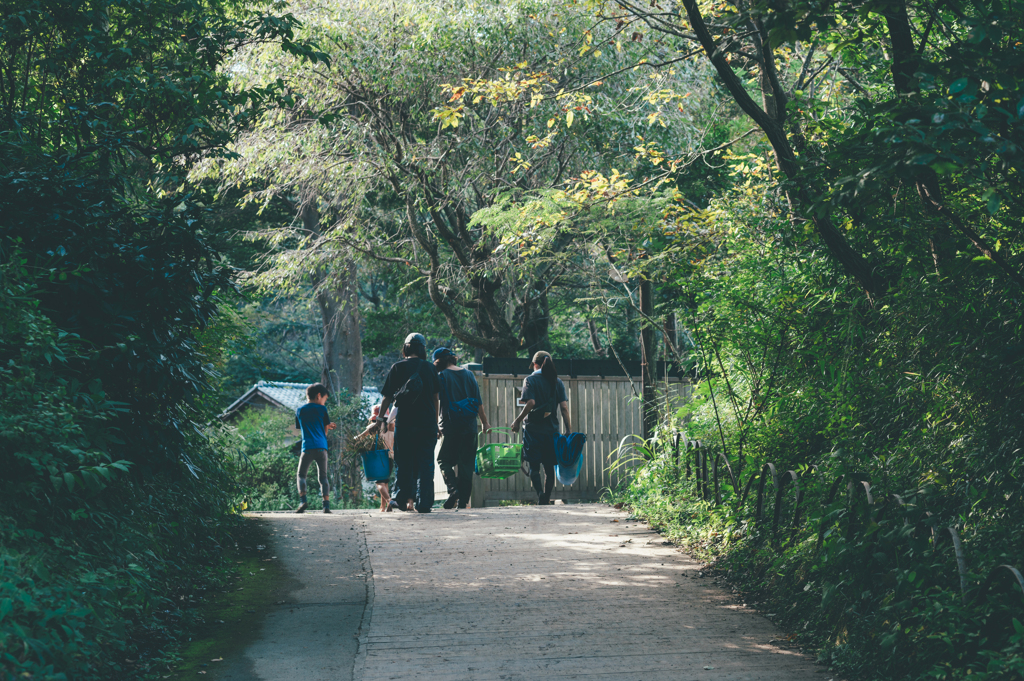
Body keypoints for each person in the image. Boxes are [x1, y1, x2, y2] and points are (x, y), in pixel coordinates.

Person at [373, 333, 441, 513]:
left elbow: (387, 397)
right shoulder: (430, 368)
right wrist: (435, 424)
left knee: (403, 462)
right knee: (426, 463)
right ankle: (424, 502)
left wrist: (381, 419)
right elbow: (435, 398)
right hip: (426, 423)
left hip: (405, 423)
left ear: (406, 348)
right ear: (423, 349)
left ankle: (401, 500)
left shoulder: (397, 367)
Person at [433, 347, 490, 510]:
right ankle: (464, 502)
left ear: (439, 361)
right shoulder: (468, 374)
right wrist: (485, 423)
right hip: (469, 426)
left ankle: (453, 490)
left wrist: (436, 424)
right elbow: (478, 402)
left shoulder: (441, 376)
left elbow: (437, 401)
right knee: (466, 465)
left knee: (443, 460)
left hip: (450, 427)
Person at [510, 351, 571, 505]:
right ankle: (546, 497)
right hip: (552, 431)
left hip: (533, 431)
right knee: (549, 468)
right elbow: (564, 407)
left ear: (535, 364)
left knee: (534, 467)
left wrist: (517, 420)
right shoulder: (557, 382)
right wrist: (569, 429)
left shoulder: (530, 380)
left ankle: (540, 495)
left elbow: (530, 403)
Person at [294, 382, 337, 513]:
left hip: (307, 447)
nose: (324, 402)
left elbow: (301, 428)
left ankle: (303, 501)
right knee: (323, 477)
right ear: (319, 396)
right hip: (321, 448)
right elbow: (324, 432)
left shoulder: (300, 410)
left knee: (301, 475)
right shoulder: (322, 409)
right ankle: (326, 506)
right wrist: (327, 426)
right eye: (325, 399)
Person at [356, 404, 396, 512]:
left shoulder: (373, 427)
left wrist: (356, 440)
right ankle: (383, 507)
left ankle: (389, 501)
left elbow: (360, 438)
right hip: (390, 457)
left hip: (379, 458)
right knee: (385, 482)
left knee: (379, 483)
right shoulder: (392, 426)